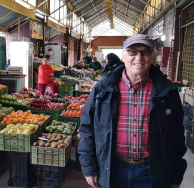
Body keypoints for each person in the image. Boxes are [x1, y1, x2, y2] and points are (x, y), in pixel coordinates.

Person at [78, 34, 187, 188]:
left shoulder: (167, 92)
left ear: (153, 57)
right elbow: (87, 129)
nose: (139, 57)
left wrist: (176, 177)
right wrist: (89, 167)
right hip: (113, 169)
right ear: (123, 56)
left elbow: (177, 136)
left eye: (145, 52)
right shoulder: (103, 89)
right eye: (133, 51)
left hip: (152, 173)